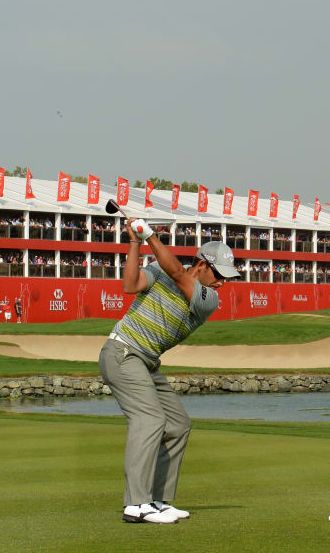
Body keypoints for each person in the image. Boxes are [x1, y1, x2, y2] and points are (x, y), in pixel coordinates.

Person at [101, 219, 238, 524]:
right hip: (122, 352)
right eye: (219, 275)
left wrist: (150, 235)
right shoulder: (162, 270)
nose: (222, 283)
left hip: (146, 362)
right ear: (202, 265)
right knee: (150, 419)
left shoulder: (208, 300)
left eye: (228, 278)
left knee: (177, 424)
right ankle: (136, 504)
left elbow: (177, 273)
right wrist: (136, 241)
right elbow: (130, 286)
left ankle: (156, 500)